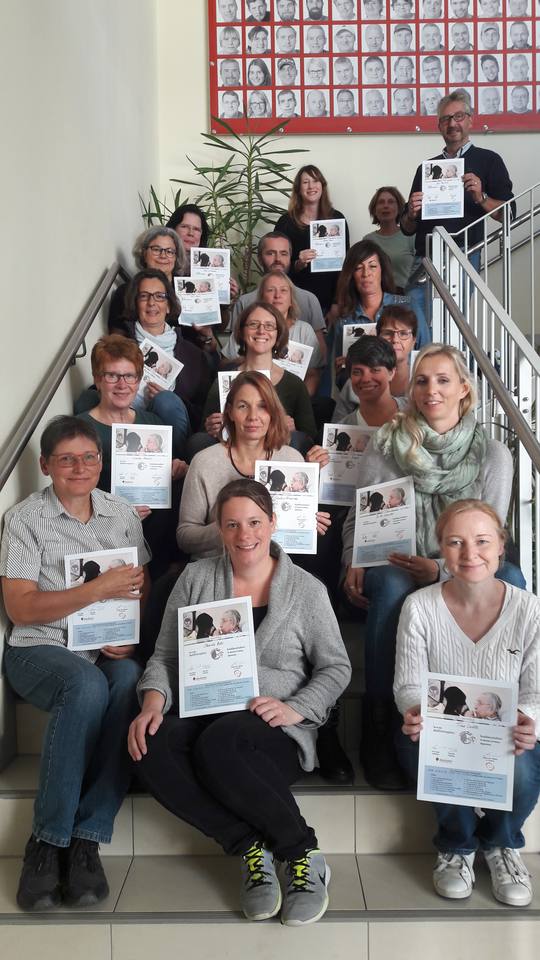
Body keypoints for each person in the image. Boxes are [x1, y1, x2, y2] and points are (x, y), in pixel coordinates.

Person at [130, 478, 351, 925]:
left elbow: (337, 667)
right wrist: (153, 702)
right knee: (148, 742)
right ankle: (252, 847)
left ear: (273, 523)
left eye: (254, 522)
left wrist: (297, 707)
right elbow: (166, 656)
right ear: (219, 528)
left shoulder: (307, 590)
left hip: (270, 726)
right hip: (203, 709)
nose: (244, 534)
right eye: (232, 524)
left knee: (223, 740)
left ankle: (301, 854)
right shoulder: (194, 578)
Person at [342, 345, 525, 790]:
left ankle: (507, 719)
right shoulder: (386, 444)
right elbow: (360, 515)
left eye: (443, 380)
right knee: (386, 585)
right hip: (398, 561)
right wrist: (351, 557)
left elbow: (490, 541)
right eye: (422, 380)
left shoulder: (493, 455)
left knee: (514, 580)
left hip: (463, 563)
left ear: (464, 389)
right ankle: (382, 720)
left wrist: (441, 569)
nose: (431, 390)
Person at [0, 416, 149, 911]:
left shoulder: (121, 513)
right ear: (45, 465)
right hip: (38, 648)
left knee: (127, 679)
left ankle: (88, 836)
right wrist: (96, 590)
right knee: (85, 685)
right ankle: (47, 842)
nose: (79, 467)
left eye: (89, 457)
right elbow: (21, 607)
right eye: (66, 458)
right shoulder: (23, 519)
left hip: (103, 649)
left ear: (102, 463)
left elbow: (138, 586)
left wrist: (126, 632)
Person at [395, 499, 540, 906]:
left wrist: (531, 719)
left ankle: (500, 844)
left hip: (505, 731)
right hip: (443, 729)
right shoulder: (419, 606)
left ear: (500, 548)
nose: (470, 553)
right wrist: (414, 709)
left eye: (481, 541)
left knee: (526, 768)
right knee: (427, 747)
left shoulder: (530, 611)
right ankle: (456, 846)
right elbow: (407, 682)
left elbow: (537, 690)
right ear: (440, 548)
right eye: (456, 542)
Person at [178, 371, 323, 560]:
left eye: (262, 406)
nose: (253, 416)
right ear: (229, 411)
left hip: (272, 567)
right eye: (243, 406)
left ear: (273, 411)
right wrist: (230, 527)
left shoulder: (292, 460)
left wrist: (307, 524)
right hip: (216, 566)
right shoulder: (204, 462)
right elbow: (184, 537)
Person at [401, 91, 514, 329]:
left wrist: (481, 197)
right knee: (412, 321)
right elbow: (407, 228)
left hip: (464, 253)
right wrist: (411, 212)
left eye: (458, 116)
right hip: (426, 256)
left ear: (470, 120)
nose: (452, 123)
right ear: (439, 125)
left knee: (450, 325)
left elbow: (509, 214)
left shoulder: (489, 160)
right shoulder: (427, 168)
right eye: (445, 119)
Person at [76, 336, 186, 578]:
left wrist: (176, 468)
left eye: (129, 376)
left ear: (139, 380)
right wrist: (119, 513)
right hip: (103, 530)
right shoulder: (80, 429)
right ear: (97, 379)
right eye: (112, 375)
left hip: (154, 526)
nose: (122, 384)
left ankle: (162, 576)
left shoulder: (153, 425)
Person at [197, 303, 317, 457]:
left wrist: (293, 430)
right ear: (242, 331)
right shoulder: (223, 381)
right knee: (198, 441)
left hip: (276, 459)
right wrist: (210, 427)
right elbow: (203, 431)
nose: (261, 331)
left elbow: (309, 437)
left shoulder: (294, 384)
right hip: (232, 455)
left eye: (269, 326)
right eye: (254, 324)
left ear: (278, 334)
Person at [107, 269, 211, 445]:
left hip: (173, 433)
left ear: (169, 305)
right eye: (144, 296)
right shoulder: (119, 346)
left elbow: (202, 411)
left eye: (159, 296)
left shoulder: (193, 354)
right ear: (135, 303)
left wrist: (172, 400)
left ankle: (175, 467)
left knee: (166, 401)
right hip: (128, 420)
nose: (151, 303)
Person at [334, 241, 429, 381]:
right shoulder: (345, 320)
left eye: (372, 266)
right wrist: (343, 370)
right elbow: (341, 379)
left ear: (382, 270)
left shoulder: (407, 306)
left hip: (408, 390)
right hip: (364, 393)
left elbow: (427, 351)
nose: (366, 273)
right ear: (351, 276)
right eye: (358, 268)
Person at [225, 233, 326, 358]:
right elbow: (233, 351)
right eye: (270, 253)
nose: (278, 259)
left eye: (284, 253)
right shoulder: (244, 302)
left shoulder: (309, 300)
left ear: (290, 257)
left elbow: (320, 355)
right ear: (260, 258)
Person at [275, 165, 350, 320]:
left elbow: (346, 266)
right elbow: (276, 265)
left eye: (315, 181)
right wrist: (298, 264)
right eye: (305, 182)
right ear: (298, 189)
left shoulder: (337, 219)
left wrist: (337, 303)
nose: (311, 186)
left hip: (329, 301)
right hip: (295, 302)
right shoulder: (286, 222)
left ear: (322, 185)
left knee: (325, 344)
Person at [108, 226, 187, 331]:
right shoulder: (125, 293)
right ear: (143, 253)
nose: (163, 255)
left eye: (169, 251)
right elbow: (117, 338)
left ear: (176, 257)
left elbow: (207, 344)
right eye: (156, 249)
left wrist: (206, 336)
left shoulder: (187, 289)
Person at [364, 187, 416, 291]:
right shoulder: (368, 240)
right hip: (377, 299)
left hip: (406, 298)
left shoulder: (411, 236)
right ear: (374, 209)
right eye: (381, 202)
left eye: (391, 202)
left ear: (399, 208)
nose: (386, 206)